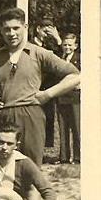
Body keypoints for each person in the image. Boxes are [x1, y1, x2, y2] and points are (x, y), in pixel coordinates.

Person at [0, 8, 80, 166]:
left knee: (31, 169)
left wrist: (48, 94)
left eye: (16, 28)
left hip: (31, 113)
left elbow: (76, 76)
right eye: (7, 29)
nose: (12, 33)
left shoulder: (39, 53)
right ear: (1, 31)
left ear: (25, 27)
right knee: (1, 170)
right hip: (3, 116)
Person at [32, 17, 63, 149]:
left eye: (51, 31)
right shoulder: (30, 45)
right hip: (33, 87)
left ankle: (44, 148)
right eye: (46, 30)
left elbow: (61, 61)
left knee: (48, 119)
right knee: (34, 120)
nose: (48, 34)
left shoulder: (51, 47)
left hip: (48, 89)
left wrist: (58, 39)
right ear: (38, 29)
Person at [56, 33, 80, 164]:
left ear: (75, 46)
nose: (67, 47)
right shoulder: (60, 59)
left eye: (70, 45)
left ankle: (78, 157)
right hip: (61, 97)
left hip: (75, 98)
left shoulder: (80, 58)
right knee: (63, 128)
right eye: (65, 45)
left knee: (77, 127)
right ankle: (64, 157)